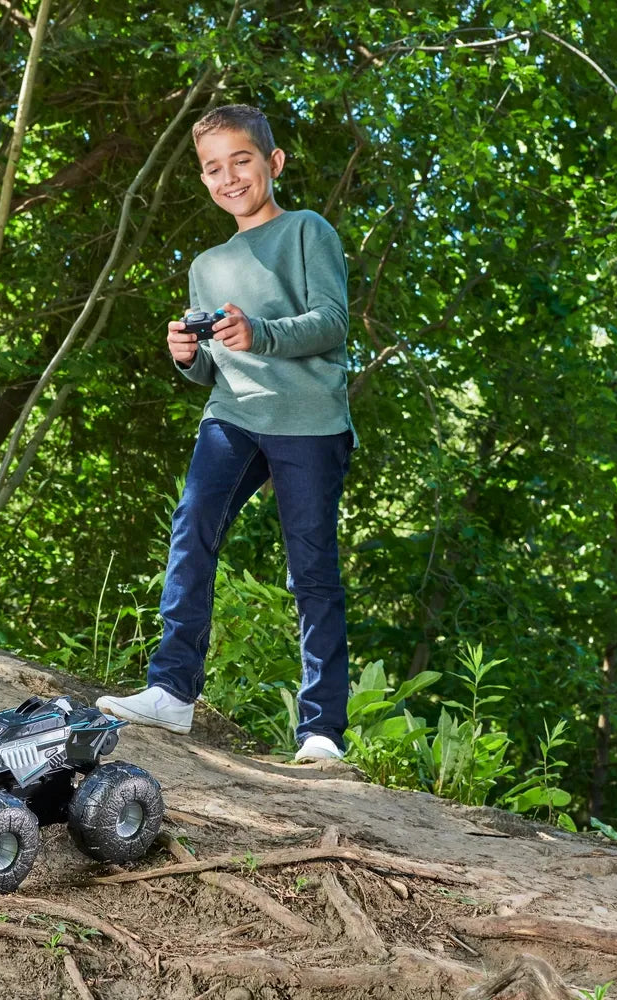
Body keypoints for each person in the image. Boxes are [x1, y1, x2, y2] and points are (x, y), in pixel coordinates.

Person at [96, 104, 356, 762]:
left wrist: (262, 332)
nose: (228, 176)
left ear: (273, 163)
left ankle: (322, 730)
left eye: (241, 160)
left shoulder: (306, 231)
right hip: (232, 415)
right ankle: (172, 691)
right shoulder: (207, 264)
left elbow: (331, 321)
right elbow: (210, 365)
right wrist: (187, 354)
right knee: (193, 526)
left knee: (312, 568)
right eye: (213, 167)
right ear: (204, 179)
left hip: (308, 422)